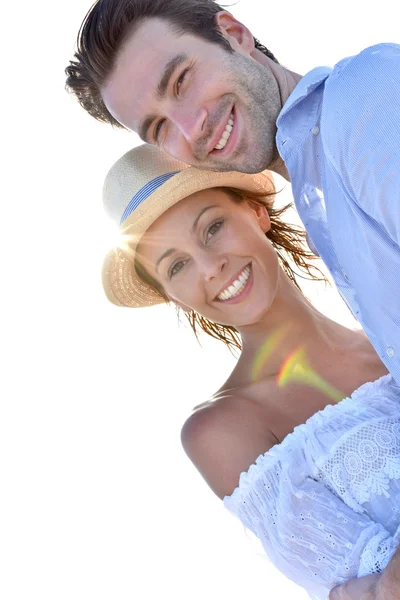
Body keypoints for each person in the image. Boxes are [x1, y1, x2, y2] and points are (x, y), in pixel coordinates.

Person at [101, 143, 400, 600]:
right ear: (171, 294)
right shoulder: (220, 430)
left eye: (212, 228)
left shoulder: (389, 332)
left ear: (257, 211)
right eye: (177, 265)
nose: (210, 267)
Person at [65, 1, 400, 393]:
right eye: (158, 128)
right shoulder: (320, 192)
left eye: (181, 81)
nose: (191, 130)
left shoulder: (364, 96)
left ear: (235, 35)